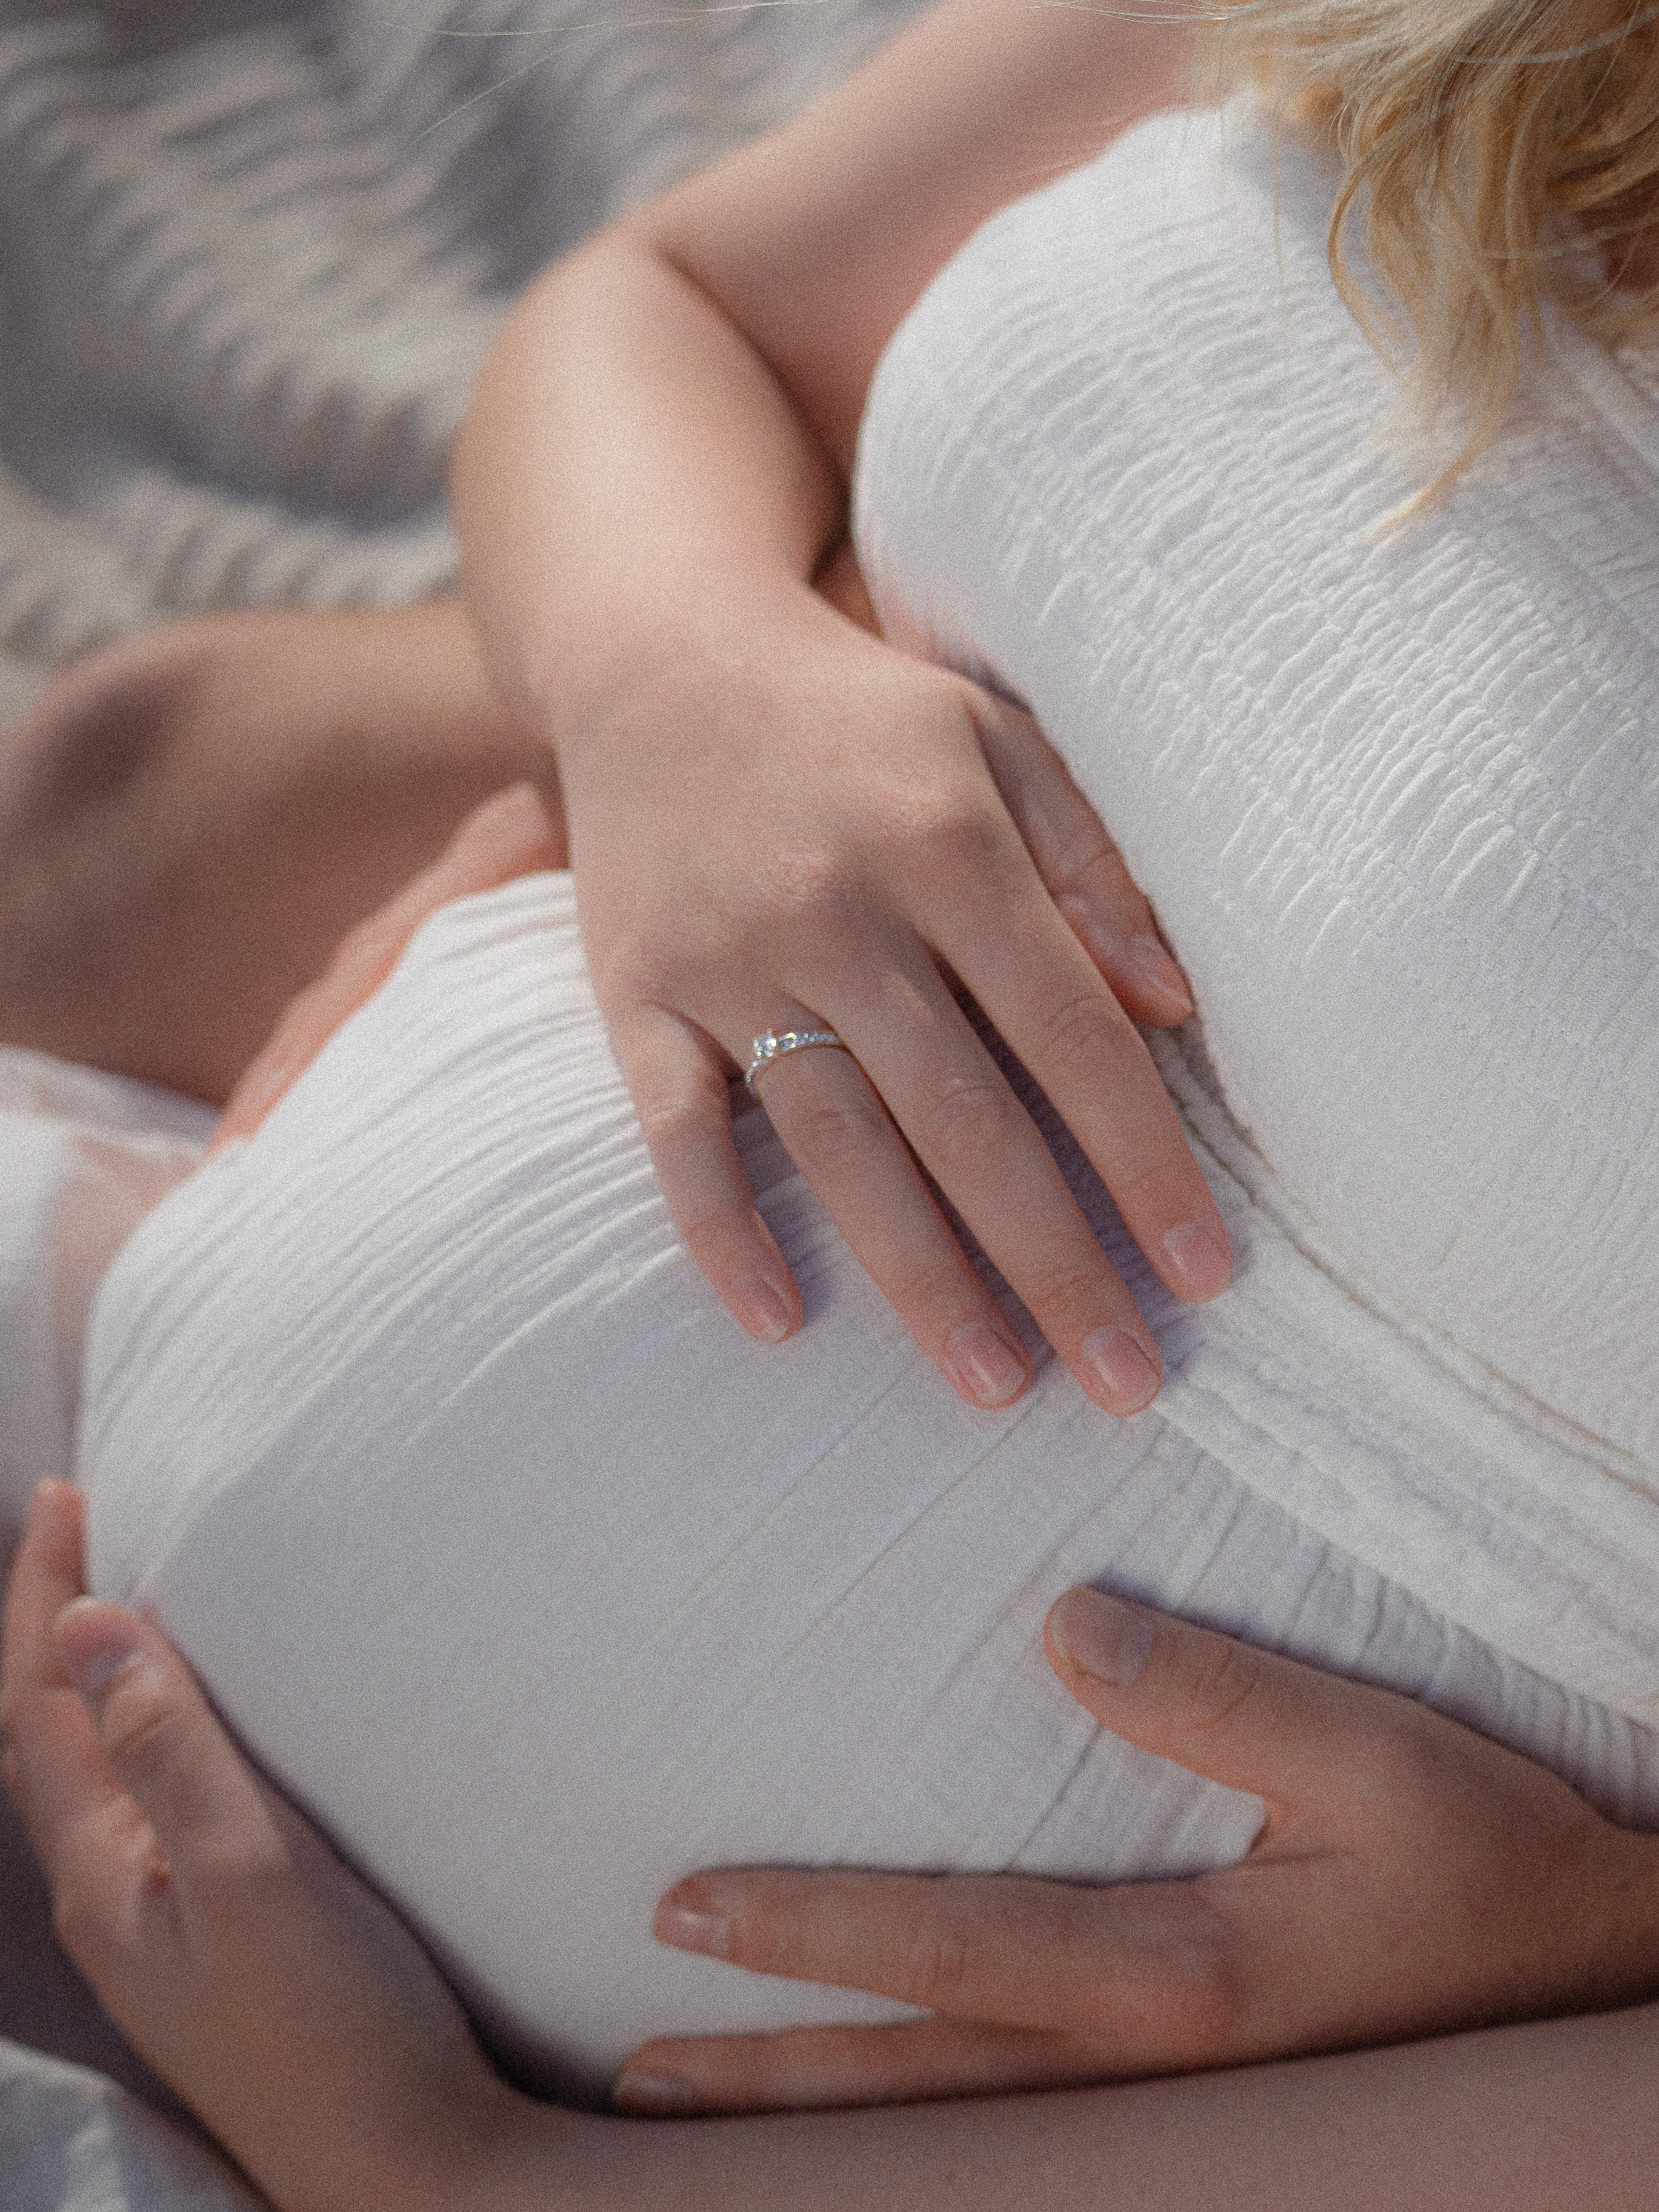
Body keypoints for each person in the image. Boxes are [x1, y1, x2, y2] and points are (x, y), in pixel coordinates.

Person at [8, 0, 1659, 2191]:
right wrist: (671, 668)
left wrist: (463, 2179)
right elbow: (680, 305)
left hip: (546, 2132)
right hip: (109, 1369)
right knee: (92, 798)